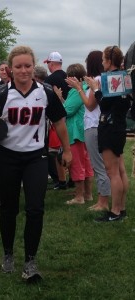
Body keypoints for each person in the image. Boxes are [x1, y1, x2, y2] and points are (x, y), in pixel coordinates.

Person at [0, 45, 72, 282]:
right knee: (9, 208)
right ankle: (8, 253)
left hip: (36, 157)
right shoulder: (1, 94)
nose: (24, 71)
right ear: (10, 69)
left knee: (36, 208)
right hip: (7, 157)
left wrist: (67, 150)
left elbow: (59, 122)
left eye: (28, 66)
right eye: (19, 66)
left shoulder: (45, 92)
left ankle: (30, 260)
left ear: (33, 66)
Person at [85, 45, 130, 222]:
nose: (102, 62)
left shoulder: (111, 79)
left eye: (104, 59)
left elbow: (104, 105)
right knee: (120, 170)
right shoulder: (125, 76)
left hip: (109, 127)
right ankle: (121, 208)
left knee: (113, 172)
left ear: (110, 61)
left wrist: (95, 89)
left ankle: (115, 212)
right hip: (119, 126)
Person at [65, 51, 111, 211]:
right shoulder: (102, 80)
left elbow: (82, 106)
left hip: (86, 128)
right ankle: (94, 196)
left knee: (90, 165)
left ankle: (94, 199)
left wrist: (77, 88)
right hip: (96, 127)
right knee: (95, 164)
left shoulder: (92, 83)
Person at [63, 64, 94, 205]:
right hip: (83, 131)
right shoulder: (85, 88)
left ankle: (79, 197)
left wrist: (59, 103)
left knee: (77, 164)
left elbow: (67, 110)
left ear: (72, 77)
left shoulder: (76, 91)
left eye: (68, 76)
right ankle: (88, 194)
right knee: (86, 163)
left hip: (75, 132)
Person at [44, 51, 71, 189]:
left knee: (56, 151)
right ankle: (72, 178)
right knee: (70, 149)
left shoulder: (48, 81)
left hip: (57, 117)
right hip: (71, 117)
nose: (48, 66)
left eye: (48, 63)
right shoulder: (68, 77)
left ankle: (61, 180)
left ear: (52, 63)